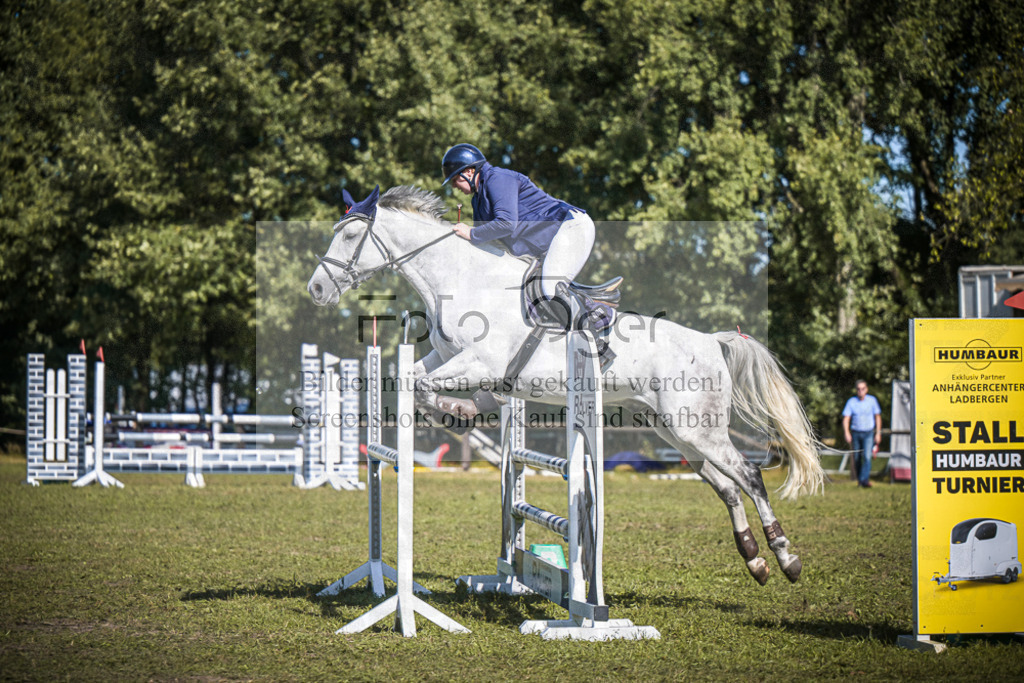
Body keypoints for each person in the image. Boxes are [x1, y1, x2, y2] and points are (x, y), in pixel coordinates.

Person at [441, 143, 595, 314]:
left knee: (550, 288)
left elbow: (507, 223)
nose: (454, 186)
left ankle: (594, 319)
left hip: (571, 227)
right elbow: (486, 244)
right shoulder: (477, 201)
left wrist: (471, 233)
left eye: (456, 179)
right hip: (550, 243)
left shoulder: (497, 178)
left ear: (469, 171)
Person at [842, 380, 882, 488]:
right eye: (859, 389)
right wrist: (846, 432)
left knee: (867, 456)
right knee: (856, 458)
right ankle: (860, 480)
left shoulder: (872, 401)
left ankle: (864, 480)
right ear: (856, 390)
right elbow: (846, 418)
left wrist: (878, 433)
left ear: (866, 389)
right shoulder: (851, 402)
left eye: (863, 388)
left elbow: (877, 417)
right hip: (856, 433)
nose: (861, 391)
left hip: (868, 432)